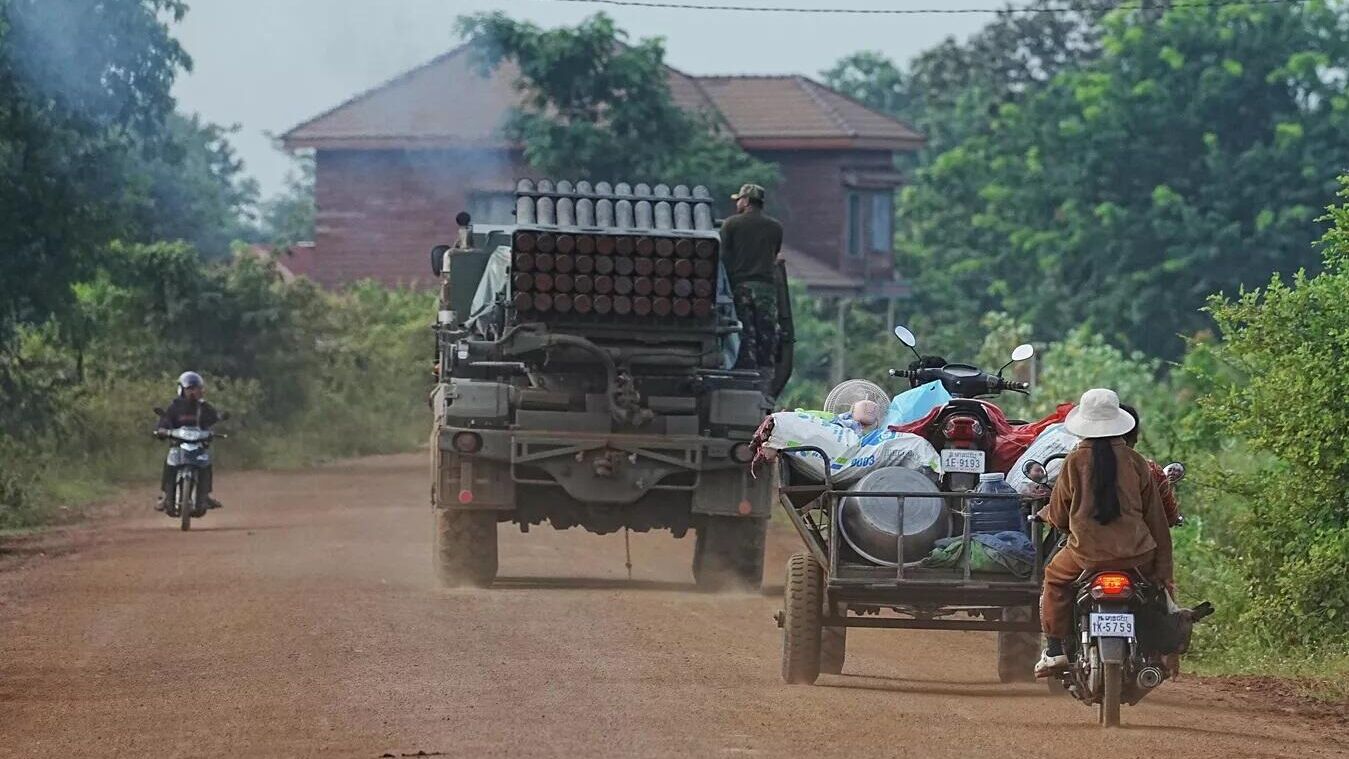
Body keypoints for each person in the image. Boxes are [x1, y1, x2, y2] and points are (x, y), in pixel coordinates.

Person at [1035, 388, 1174, 677]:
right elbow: (1157, 520)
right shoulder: (1137, 462)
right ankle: (1155, 652)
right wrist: (1162, 569)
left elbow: (1059, 514)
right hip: (1137, 555)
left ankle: (1056, 651)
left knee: (1054, 578)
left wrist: (1053, 519)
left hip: (1086, 556)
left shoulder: (1074, 461)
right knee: (1153, 593)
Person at [720, 183, 783, 371]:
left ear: (746, 201)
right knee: (766, 329)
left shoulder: (731, 224)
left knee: (745, 329)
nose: (737, 203)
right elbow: (774, 254)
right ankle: (765, 367)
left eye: (739, 199)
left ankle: (745, 366)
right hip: (766, 287)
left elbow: (724, 255)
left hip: (742, 286)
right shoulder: (775, 227)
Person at [155, 371, 223, 511]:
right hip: (178, 445)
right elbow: (165, 420)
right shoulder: (174, 407)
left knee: (206, 466)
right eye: (190, 388)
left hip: (199, 446)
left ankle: (205, 495)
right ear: (182, 389)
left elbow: (214, 419)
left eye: (196, 388)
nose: (193, 392)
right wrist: (162, 430)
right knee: (169, 466)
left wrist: (215, 426)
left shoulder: (204, 407)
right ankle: (167, 496)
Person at [1120, 404, 1183, 527]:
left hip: (1084, 544)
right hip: (1135, 544)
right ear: (1134, 436)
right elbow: (1170, 517)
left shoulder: (1077, 467)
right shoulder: (1150, 470)